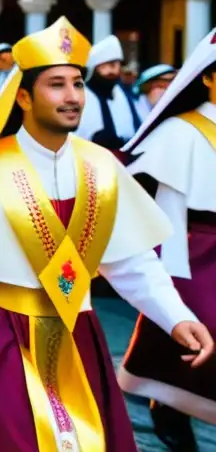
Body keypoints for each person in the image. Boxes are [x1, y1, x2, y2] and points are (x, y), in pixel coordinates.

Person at [0, 17, 214, 451]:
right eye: (57, 84)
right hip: (0, 340)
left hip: (77, 333)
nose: (72, 96)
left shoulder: (103, 169)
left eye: (77, 83)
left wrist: (176, 317)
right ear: (24, 98)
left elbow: (132, 262)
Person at [118, 32, 216, 450]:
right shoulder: (182, 131)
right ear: (209, 79)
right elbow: (170, 206)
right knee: (193, 331)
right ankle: (170, 406)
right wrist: (173, 270)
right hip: (198, 249)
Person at [76, 34, 141, 150]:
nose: (111, 71)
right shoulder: (79, 96)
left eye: (115, 65)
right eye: (105, 66)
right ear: (94, 68)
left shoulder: (124, 96)